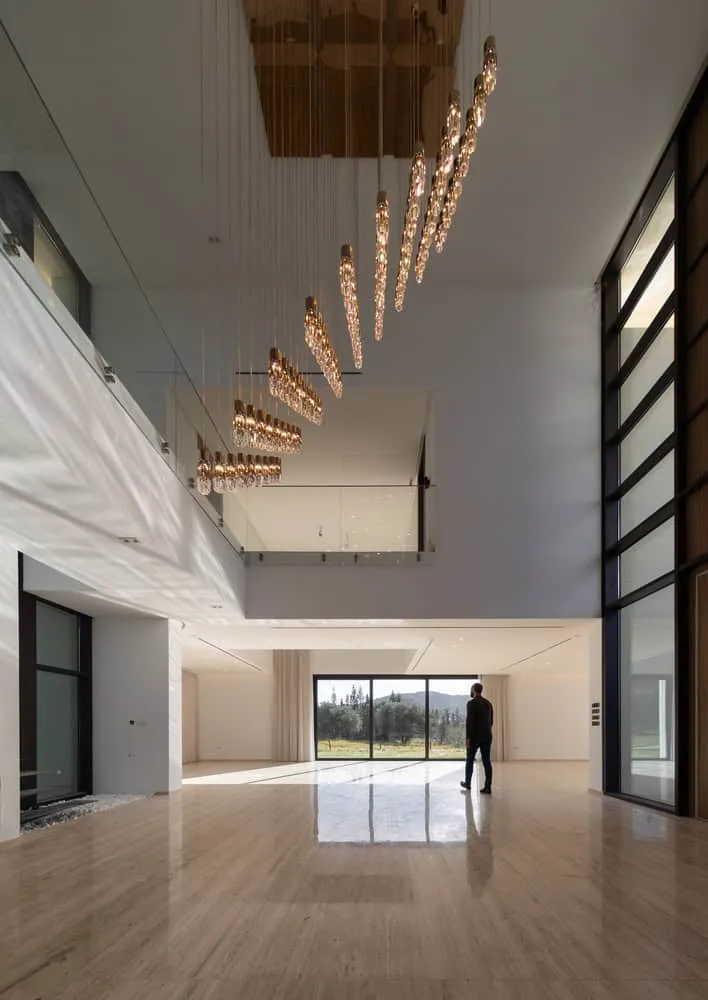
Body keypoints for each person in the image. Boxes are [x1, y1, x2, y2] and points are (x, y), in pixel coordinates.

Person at [460, 682, 493, 794]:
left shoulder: (471, 703)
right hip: (487, 736)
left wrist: (468, 738)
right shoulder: (488, 703)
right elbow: (491, 721)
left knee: (469, 760)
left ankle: (468, 783)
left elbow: (469, 722)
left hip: (474, 737)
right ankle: (488, 787)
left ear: (473, 690)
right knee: (486, 762)